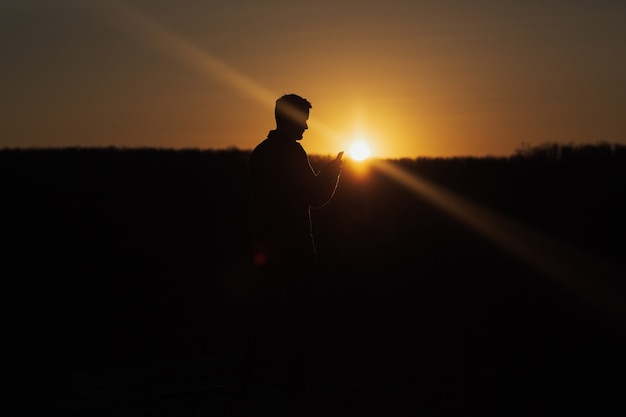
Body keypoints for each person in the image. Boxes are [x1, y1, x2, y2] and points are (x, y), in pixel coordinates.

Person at [243, 93, 343, 403]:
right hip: (296, 250)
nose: (306, 129)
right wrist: (333, 171)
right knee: (300, 320)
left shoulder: (259, 154)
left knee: (264, 315)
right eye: (304, 121)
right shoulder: (292, 153)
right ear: (291, 119)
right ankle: (296, 389)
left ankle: (251, 380)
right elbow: (314, 195)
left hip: (266, 248)